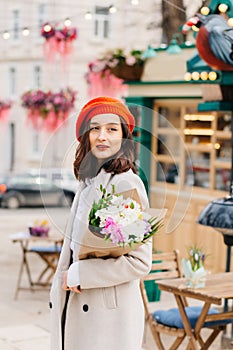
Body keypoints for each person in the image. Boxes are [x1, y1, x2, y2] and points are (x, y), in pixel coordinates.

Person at [50, 96, 152, 350]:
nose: (102, 136)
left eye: (111, 129)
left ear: (124, 137)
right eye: (95, 128)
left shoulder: (126, 184)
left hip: (107, 318)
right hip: (78, 305)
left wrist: (80, 274)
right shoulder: (88, 182)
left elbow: (140, 262)